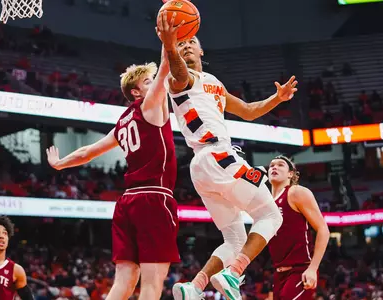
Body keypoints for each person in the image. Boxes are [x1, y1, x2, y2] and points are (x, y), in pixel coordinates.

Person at [156, 11, 297, 300]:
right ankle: (233, 275)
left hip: (205, 167)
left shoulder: (213, 81)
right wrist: (170, 46)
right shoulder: (179, 78)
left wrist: (277, 99)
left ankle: (194, 287)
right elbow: (179, 71)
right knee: (271, 214)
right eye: (182, 42)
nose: (185, 45)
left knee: (235, 237)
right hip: (216, 155)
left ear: (201, 49)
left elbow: (247, 110)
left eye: (190, 41)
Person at [46, 47, 179, 300]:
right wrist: (168, 38)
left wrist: (60, 163)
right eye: (147, 82)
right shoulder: (150, 106)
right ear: (136, 92)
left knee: (123, 283)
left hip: (127, 202)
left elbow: (88, 151)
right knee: (152, 284)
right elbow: (165, 69)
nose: (156, 84)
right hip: (154, 198)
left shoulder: (123, 122)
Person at [267, 155, 330, 300]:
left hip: (300, 270)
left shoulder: (296, 192)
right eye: (271, 165)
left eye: (280, 165)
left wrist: (313, 268)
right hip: (278, 274)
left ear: (291, 174)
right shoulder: (266, 202)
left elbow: (323, 229)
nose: (274, 167)